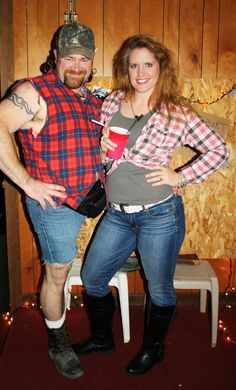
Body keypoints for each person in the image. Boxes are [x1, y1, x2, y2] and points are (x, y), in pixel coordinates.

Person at [72, 34, 230, 375]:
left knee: (158, 286)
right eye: (133, 65)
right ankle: (103, 338)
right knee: (93, 276)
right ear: (125, 69)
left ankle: (153, 348)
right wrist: (101, 152)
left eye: (148, 64)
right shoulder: (113, 101)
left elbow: (219, 150)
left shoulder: (176, 113)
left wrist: (181, 176)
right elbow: (105, 152)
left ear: (161, 68)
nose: (140, 72)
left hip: (159, 214)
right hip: (117, 213)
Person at [0, 22, 104, 379]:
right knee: (58, 274)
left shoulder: (91, 98)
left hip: (92, 198)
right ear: (56, 57)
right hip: (55, 206)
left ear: (93, 62)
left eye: (84, 59)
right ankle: (58, 342)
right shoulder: (33, 91)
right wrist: (27, 182)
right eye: (70, 57)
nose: (77, 66)